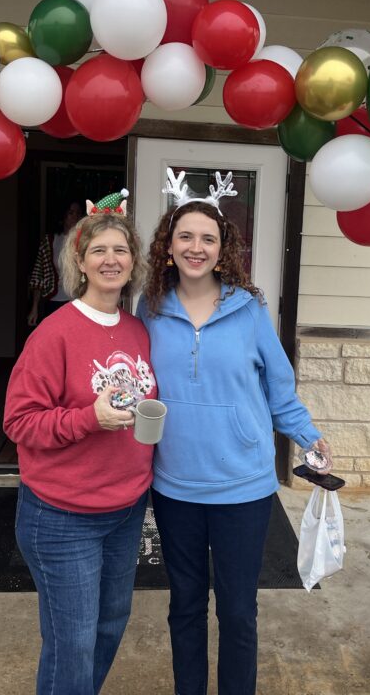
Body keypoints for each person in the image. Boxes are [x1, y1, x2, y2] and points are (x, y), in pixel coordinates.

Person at [138, 169, 333, 695]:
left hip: (243, 488)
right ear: (168, 246)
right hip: (175, 482)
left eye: (208, 238)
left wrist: (309, 436)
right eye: (185, 237)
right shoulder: (150, 309)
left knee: (238, 612)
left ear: (223, 250)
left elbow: (279, 389)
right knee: (184, 606)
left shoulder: (249, 312)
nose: (196, 247)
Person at [4, 191, 156, 695]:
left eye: (120, 250)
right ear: (80, 260)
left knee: (109, 626)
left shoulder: (137, 330)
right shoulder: (55, 333)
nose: (111, 260)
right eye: (99, 251)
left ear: (134, 261)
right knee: (72, 644)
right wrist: (87, 419)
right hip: (62, 517)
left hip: (126, 507)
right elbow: (20, 422)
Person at [27, 199, 84, 325]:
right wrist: (34, 307)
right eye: (71, 213)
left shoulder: (86, 242)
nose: (75, 216)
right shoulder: (51, 241)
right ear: (63, 216)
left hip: (79, 302)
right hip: (54, 301)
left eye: (78, 213)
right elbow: (38, 275)